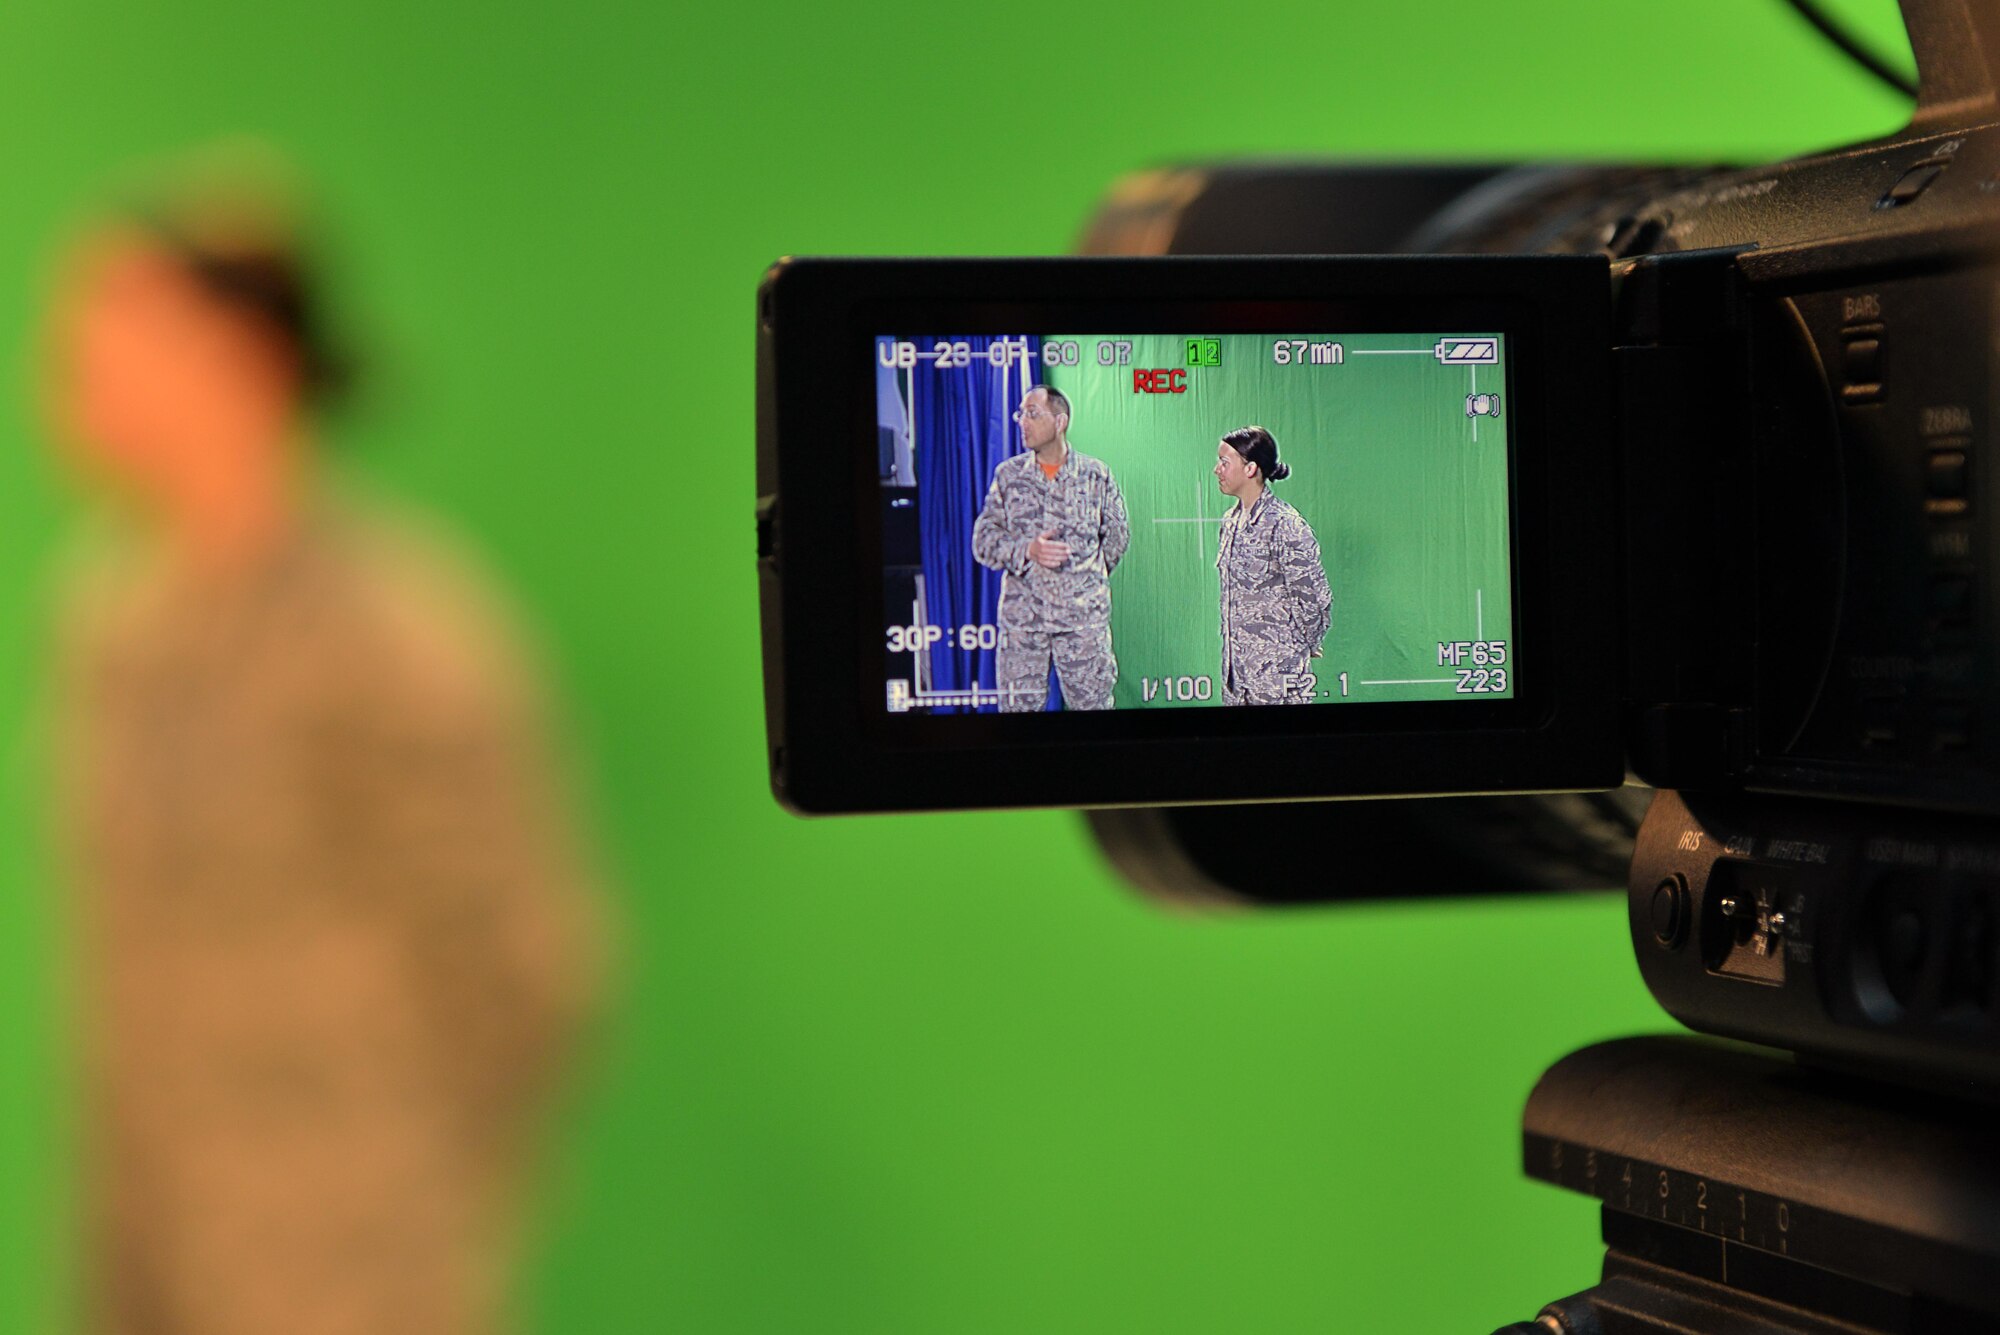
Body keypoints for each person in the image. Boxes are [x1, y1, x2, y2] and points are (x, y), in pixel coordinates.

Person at [43, 176, 602, 1335]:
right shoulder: (111, 630)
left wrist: (408, 1203)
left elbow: (527, 969)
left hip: (348, 1265)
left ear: (232, 356)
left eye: (115, 324)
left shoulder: (395, 640)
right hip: (151, 1255)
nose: (70, 356)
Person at [971, 384, 1129, 710]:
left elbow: (1116, 537)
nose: (1022, 422)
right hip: (1024, 627)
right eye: (1020, 414)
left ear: (1060, 422)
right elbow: (983, 541)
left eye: (1033, 413)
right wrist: (1027, 551)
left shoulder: (1096, 475)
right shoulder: (1009, 476)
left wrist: (1085, 579)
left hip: (1083, 625)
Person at [1213, 425, 1332, 705]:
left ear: (1251, 469)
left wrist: (1305, 644)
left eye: (1224, 462)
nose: (1217, 470)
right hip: (1236, 681)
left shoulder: (1285, 524)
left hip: (1278, 682)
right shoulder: (1230, 523)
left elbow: (1313, 598)